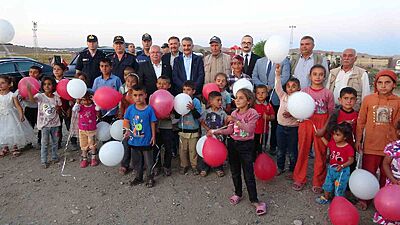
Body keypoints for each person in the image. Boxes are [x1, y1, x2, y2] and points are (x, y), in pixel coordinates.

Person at [209, 88, 266, 216]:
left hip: (246, 146)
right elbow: (229, 131)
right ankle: (238, 193)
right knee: (235, 172)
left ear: (249, 101)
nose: (237, 100)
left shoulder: (253, 113)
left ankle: (254, 200)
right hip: (233, 145)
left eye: (241, 98)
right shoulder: (234, 113)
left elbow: (250, 129)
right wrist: (215, 132)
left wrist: (235, 120)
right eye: (236, 97)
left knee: (248, 174)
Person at [355, 70, 400, 210]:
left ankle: (383, 200)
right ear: (376, 84)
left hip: (390, 146)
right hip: (371, 144)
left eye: (387, 83)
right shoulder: (369, 99)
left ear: (394, 84)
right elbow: (361, 121)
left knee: (386, 175)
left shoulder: (398, 102)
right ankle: (364, 199)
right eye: (380, 82)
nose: (383, 86)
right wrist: (358, 140)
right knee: (368, 172)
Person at [292, 65, 335, 193]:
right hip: (306, 122)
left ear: (324, 76)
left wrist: (325, 129)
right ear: (310, 76)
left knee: (321, 153)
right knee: (303, 150)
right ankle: (299, 178)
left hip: (322, 123)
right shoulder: (304, 92)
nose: (317, 77)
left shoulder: (328, 93)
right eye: (315, 74)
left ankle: (319, 181)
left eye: (321, 74)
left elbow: (331, 113)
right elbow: (298, 107)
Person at [253, 56, 290, 155]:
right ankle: (256, 148)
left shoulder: (284, 60)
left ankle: (273, 146)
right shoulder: (259, 61)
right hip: (260, 95)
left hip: (275, 96)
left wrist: (272, 87)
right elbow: (254, 76)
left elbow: (285, 77)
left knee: (275, 124)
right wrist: (263, 88)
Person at [123, 85, 157, 188]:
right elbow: (126, 121)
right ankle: (138, 177)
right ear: (132, 96)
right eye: (135, 95)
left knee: (148, 161)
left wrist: (153, 136)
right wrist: (127, 131)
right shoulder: (130, 109)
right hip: (134, 141)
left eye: (140, 95)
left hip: (146, 141)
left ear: (145, 95)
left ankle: (150, 178)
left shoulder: (149, 109)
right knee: (136, 161)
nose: (138, 98)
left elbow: (152, 123)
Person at [315, 123, 355, 204]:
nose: (334, 136)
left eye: (338, 135)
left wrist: (342, 165)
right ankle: (326, 198)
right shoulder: (333, 143)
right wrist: (321, 136)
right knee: (327, 183)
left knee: (339, 187)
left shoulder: (348, 148)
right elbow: (327, 144)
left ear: (345, 137)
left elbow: (351, 160)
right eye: (334, 134)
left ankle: (338, 202)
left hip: (342, 171)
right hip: (331, 169)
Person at [27, 76, 62, 169]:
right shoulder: (40, 96)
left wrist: (58, 109)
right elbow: (32, 100)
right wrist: (29, 91)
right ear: (42, 86)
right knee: (44, 143)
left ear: (53, 85)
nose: (47, 86)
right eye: (45, 84)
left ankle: (54, 157)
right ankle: (44, 160)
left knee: (55, 142)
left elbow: (59, 109)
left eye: (49, 84)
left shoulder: (56, 97)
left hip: (55, 124)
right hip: (44, 125)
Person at [274, 64, 301, 178]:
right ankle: (280, 167)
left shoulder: (300, 100)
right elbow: (277, 87)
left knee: (292, 150)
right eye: (289, 86)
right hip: (281, 127)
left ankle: (292, 169)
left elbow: (302, 114)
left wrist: (292, 114)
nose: (290, 88)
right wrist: (278, 75)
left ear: (298, 88)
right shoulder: (283, 96)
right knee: (280, 149)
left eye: (294, 86)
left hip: (293, 129)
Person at [373, 123, 400, 224]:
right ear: (398, 132)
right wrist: (393, 180)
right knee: (391, 206)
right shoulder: (394, 147)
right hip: (393, 182)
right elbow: (385, 164)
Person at [0, 76, 34, 157]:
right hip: (1, 115)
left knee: (13, 131)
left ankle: (15, 147)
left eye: (3, 83)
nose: (0, 85)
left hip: (11, 115)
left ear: (9, 85)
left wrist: (21, 114)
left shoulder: (12, 95)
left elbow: (18, 106)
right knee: (3, 131)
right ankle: (5, 147)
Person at [199, 91, 227, 177]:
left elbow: (225, 125)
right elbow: (202, 122)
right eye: (218, 100)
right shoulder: (206, 112)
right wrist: (208, 130)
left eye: (221, 100)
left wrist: (218, 131)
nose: (220, 102)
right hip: (207, 136)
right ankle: (205, 168)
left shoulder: (222, 113)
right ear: (210, 102)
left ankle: (218, 168)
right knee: (205, 152)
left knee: (218, 152)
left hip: (218, 137)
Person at [176, 81, 202, 175]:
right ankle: (184, 165)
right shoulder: (179, 100)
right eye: (184, 89)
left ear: (193, 91)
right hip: (182, 131)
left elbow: (198, 116)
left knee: (193, 150)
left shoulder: (195, 101)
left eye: (188, 90)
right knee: (182, 150)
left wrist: (192, 109)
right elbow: (176, 115)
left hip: (193, 131)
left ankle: (194, 166)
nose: (186, 92)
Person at [52, 63, 78, 150]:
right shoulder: (50, 82)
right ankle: (57, 142)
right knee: (57, 127)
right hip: (55, 108)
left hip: (66, 107)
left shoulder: (68, 82)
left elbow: (71, 96)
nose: (56, 71)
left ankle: (73, 142)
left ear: (63, 71)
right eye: (54, 69)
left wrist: (70, 108)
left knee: (70, 125)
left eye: (58, 69)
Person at [153, 76, 175, 176]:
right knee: (156, 147)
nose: (161, 85)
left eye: (164, 83)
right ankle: (157, 166)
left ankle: (167, 166)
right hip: (156, 127)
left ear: (169, 85)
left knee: (168, 147)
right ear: (156, 84)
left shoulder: (172, 97)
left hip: (168, 126)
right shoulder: (152, 97)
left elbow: (175, 112)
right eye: (159, 83)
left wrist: (169, 116)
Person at [72, 91, 100, 168]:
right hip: (82, 129)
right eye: (84, 100)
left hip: (91, 129)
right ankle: (85, 159)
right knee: (83, 145)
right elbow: (74, 109)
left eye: (88, 99)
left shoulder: (94, 106)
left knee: (92, 145)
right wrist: (77, 102)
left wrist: (95, 100)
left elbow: (98, 108)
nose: (86, 102)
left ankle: (93, 159)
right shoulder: (80, 107)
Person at [118, 73, 139, 175]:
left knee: (136, 144)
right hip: (126, 122)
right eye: (128, 81)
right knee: (125, 143)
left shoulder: (139, 95)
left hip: (137, 122)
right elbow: (121, 109)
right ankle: (124, 164)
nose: (130, 83)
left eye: (133, 81)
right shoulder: (124, 95)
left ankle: (136, 165)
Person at [92, 58, 122, 124]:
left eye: (106, 66)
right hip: (101, 111)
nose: (104, 68)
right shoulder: (97, 80)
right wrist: (96, 110)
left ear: (111, 67)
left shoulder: (116, 79)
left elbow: (120, 95)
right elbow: (94, 96)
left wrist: (119, 109)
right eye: (102, 66)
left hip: (113, 111)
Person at [22, 66, 42, 148]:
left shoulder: (41, 84)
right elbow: (18, 93)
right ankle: (28, 142)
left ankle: (40, 141)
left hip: (39, 108)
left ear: (39, 74)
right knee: (29, 126)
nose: (32, 74)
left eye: (35, 72)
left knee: (40, 126)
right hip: (28, 107)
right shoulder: (24, 82)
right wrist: (21, 97)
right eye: (30, 72)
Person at [253, 85, 275, 156]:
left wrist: (268, 117)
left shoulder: (268, 105)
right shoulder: (253, 105)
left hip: (264, 131)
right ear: (255, 94)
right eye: (258, 93)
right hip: (253, 131)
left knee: (262, 147)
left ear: (267, 94)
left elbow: (273, 116)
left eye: (263, 92)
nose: (260, 95)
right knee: (253, 147)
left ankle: (260, 158)